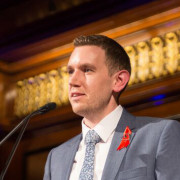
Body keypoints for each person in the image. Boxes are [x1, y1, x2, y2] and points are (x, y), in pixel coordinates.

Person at [43, 35, 180, 180]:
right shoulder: (56, 157)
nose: (73, 81)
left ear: (118, 81)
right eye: (70, 71)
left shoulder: (159, 135)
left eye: (87, 70)